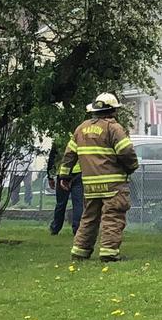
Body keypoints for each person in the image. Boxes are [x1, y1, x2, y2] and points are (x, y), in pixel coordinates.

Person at [59, 92, 139, 262]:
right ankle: (109, 253)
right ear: (113, 111)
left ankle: (79, 252)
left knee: (88, 218)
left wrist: (64, 176)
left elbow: (69, 155)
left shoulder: (81, 128)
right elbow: (126, 152)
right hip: (112, 185)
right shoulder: (113, 128)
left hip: (90, 186)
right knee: (113, 217)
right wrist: (131, 167)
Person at [48, 142, 83, 235]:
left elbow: (52, 158)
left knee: (61, 203)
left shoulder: (59, 136)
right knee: (78, 204)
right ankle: (77, 230)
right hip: (78, 172)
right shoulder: (81, 135)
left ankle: (55, 228)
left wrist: (50, 176)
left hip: (63, 173)